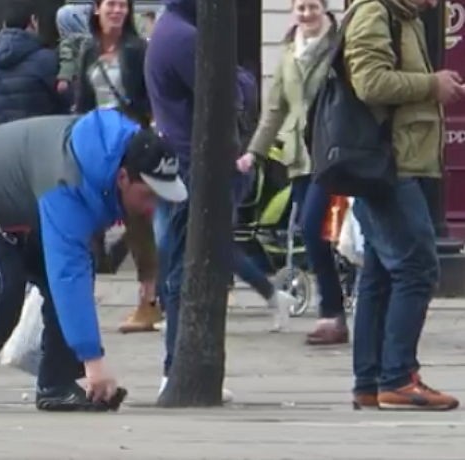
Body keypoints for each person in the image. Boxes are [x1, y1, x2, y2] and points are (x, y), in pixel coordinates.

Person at [0, 108, 187, 413]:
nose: (152, 208)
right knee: (2, 284)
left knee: (73, 271)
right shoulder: (68, 181)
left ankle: (56, 384)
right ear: (123, 178)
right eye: (149, 196)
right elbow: (68, 274)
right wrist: (94, 361)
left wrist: (149, 274)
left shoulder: (125, 152)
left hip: (22, 197)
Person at [145, 0, 296, 399]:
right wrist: (243, 77)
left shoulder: (169, 31)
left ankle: (177, 366)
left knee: (189, 257)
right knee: (188, 264)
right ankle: (177, 368)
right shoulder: (187, 37)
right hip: (193, 164)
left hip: (182, 160)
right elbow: (231, 90)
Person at [344, 0, 460, 411]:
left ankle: (370, 380)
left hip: (395, 161)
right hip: (388, 164)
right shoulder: (376, 13)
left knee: (379, 272)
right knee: (417, 267)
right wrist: (432, 85)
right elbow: (370, 83)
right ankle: (397, 378)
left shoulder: (402, 18)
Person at [238, 0, 346, 345]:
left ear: (325, 10)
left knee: (314, 228)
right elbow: (275, 109)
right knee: (310, 231)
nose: (306, 14)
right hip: (299, 155)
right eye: (300, 8)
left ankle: (332, 311)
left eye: (313, 7)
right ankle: (334, 307)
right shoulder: (288, 50)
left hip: (332, 150)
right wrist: (253, 153)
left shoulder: (338, 47)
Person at [75, 0, 161, 334]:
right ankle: (81, 297)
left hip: (129, 141)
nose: (117, 11)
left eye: (123, 5)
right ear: (97, 10)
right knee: (88, 218)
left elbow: (149, 99)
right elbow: (82, 102)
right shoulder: (88, 50)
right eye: (111, 4)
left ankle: (148, 300)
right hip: (95, 141)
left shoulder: (137, 49)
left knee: (138, 220)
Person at [0, 0, 68, 127]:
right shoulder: (46, 60)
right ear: (33, 21)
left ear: (4, 24)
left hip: (0, 141)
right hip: (40, 139)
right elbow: (66, 101)